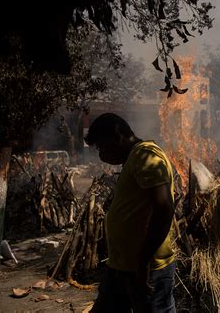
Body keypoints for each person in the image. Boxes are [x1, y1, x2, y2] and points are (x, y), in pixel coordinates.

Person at [85, 113, 176, 313]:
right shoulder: (134, 159)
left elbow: (164, 208)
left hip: (147, 267)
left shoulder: (146, 156)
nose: (100, 154)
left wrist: (143, 263)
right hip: (122, 266)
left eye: (101, 146)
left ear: (117, 137)